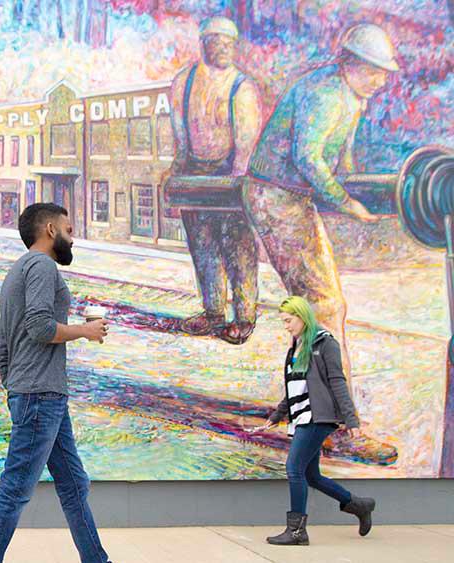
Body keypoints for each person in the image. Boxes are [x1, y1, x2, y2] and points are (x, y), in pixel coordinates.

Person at [244, 23, 397, 381]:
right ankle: (329, 413)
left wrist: (355, 187)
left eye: (383, 73)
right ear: (350, 63)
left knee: (320, 305)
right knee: (323, 305)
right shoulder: (326, 94)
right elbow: (308, 157)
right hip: (275, 195)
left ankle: (308, 399)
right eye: (373, 70)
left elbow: (340, 159)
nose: (379, 80)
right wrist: (346, 202)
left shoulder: (351, 96)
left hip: (290, 195)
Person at [0, 203, 112, 563]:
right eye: (68, 228)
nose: (72, 235)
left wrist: (14, 388)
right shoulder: (42, 266)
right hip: (40, 395)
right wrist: (86, 330)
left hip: (38, 394)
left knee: (73, 484)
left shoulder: (16, 271)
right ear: (50, 230)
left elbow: (1, 348)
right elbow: (39, 327)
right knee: (16, 488)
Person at [251, 296, 376, 545]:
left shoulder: (325, 343)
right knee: (311, 476)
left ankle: (297, 531)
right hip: (301, 418)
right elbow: (293, 389)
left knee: (293, 468)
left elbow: (337, 382)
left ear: (302, 316)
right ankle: (359, 505)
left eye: (288, 321)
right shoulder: (295, 347)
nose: (286, 326)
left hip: (318, 417)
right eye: (283, 322)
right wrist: (274, 418)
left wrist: (351, 420)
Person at [168, 16, 262, 345]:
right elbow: (180, 133)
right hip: (195, 171)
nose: (223, 48)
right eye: (216, 41)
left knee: (237, 247)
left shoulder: (243, 87)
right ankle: (213, 312)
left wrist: (237, 183)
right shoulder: (184, 81)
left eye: (228, 42)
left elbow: (246, 142)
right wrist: (178, 170)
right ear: (204, 44)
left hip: (230, 172)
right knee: (203, 246)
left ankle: (245, 315)